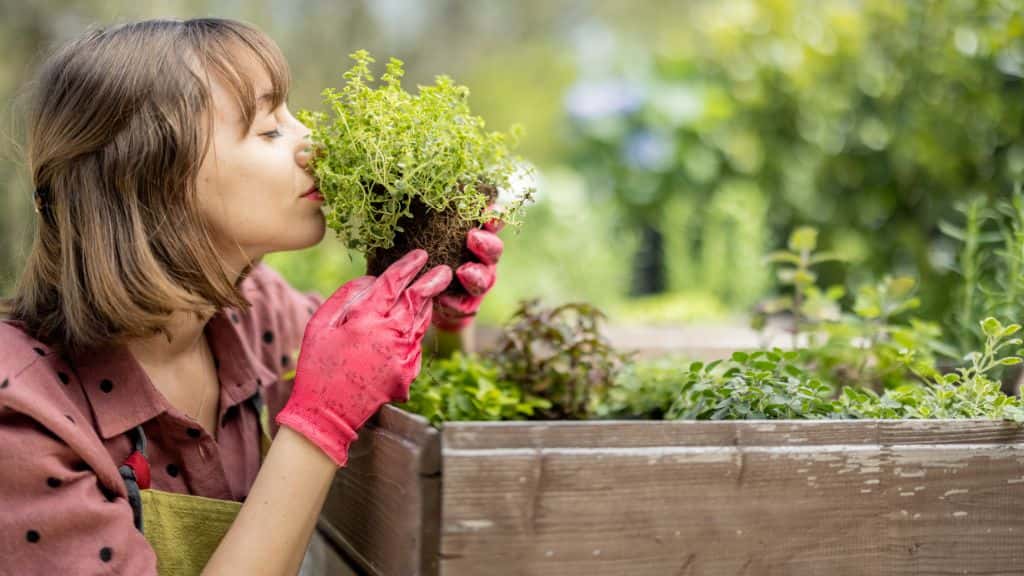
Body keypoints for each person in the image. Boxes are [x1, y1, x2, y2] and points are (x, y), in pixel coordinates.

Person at [0, 18, 504, 575]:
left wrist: (437, 320)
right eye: (268, 131)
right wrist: (319, 423)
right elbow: (335, 408)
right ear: (149, 179)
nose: (313, 145)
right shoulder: (22, 416)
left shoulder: (259, 311)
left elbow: (394, 395)